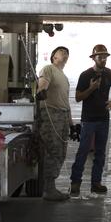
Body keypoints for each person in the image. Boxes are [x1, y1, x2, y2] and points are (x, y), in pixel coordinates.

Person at [70, 44, 111, 196]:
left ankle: (96, 183)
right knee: (83, 151)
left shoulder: (109, 74)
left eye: (105, 57)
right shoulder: (85, 75)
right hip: (88, 120)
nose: (103, 59)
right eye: (100, 57)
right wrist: (91, 89)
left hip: (103, 119)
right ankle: (75, 183)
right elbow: (78, 97)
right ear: (93, 58)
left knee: (100, 152)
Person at [36, 43, 72, 200]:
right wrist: (41, 90)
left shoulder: (64, 77)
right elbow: (43, 83)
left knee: (61, 152)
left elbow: (66, 101)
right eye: (61, 51)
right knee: (53, 150)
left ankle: (51, 187)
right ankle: (48, 189)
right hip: (51, 114)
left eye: (66, 52)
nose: (64, 53)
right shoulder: (48, 69)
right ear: (54, 57)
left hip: (62, 116)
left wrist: (71, 123)